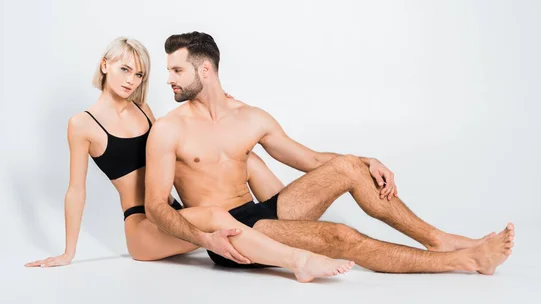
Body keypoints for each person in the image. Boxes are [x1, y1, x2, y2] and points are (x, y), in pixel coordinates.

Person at [145, 32, 515, 274]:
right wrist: (205, 239)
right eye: (169, 71)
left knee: (349, 166)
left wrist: (367, 161)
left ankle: (438, 238)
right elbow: (156, 207)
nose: (170, 79)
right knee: (340, 235)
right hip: (233, 229)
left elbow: (309, 159)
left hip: (264, 211)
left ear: (205, 69)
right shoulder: (169, 129)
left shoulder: (250, 117)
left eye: (177, 69)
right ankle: (464, 260)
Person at [24, 37, 355, 282]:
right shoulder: (82, 124)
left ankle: (293, 232)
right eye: (125, 69)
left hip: (178, 216)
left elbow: (178, 151)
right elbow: (75, 191)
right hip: (143, 226)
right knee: (216, 215)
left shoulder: (143, 110)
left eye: (139, 75)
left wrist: (221, 104)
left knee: (246, 163)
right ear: (105, 65)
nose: (130, 80)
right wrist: (69, 253)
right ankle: (299, 261)